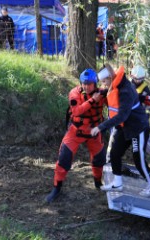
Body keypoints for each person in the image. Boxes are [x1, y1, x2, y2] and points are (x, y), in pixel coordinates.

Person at [91, 64, 150, 197]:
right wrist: (100, 92)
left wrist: (100, 127)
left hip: (138, 127)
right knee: (115, 153)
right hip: (126, 127)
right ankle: (118, 182)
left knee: (138, 159)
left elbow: (122, 116)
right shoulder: (117, 84)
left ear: (110, 77)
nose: (103, 85)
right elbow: (110, 90)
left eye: (104, 82)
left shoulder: (126, 91)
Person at [45, 69, 108, 203]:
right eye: (84, 83)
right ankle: (57, 187)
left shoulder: (102, 93)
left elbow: (114, 104)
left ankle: (98, 183)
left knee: (99, 159)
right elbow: (77, 111)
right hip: (76, 130)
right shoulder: (74, 93)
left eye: (89, 84)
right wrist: (93, 100)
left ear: (95, 83)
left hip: (94, 131)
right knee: (64, 157)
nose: (86, 86)